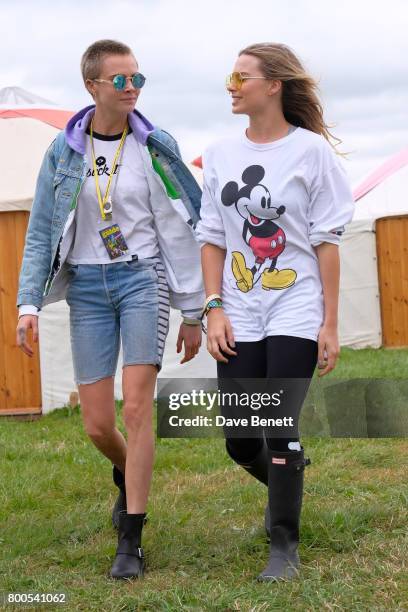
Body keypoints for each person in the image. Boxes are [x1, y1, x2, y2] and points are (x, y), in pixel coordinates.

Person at [16, 39, 203, 580]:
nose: (132, 89)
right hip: (88, 291)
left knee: (139, 408)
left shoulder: (153, 145)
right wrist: (29, 301)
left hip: (142, 279)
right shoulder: (63, 151)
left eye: (137, 79)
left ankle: (132, 536)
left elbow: (180, 227)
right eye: (120, 80)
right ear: (92, 86)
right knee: (99, 424)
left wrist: (192, 311)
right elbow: (42, 231)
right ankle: (130, 471)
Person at [196, 42, 354, 581]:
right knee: (241, 438)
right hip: (238, 308)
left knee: (278, 422)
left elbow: (327, 240)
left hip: (295, 304)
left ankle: (284, 542)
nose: (232, 86)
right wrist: (213, 308)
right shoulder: (218, 153)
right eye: (230, 77)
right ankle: (288, 481)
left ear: (274, 85)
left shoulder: (311, 153)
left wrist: (329, 322)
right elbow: (213, 236)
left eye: (241, 77)